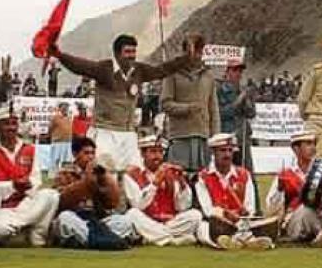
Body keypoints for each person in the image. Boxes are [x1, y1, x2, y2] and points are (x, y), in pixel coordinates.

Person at [50, 34, 197, 172]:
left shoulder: (139, 70)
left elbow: (161, 70)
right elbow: (80, 66)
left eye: (134, 52)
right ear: (117, 53)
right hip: (104, 132)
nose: (131, 56)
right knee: (102, 173)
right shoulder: (104, 69)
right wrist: (60, 55)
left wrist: (186, 58)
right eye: (127, 52)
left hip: (128, 133)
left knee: (135, 173)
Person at [0, 106, 59, 247]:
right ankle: (25, 227)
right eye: (6, 124)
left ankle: (36, 234)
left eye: (14, 123)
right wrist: (12, 186)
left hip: (26, 202)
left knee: (51, 195)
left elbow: (36, 179)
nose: (11, 128)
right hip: (3, 207)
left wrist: (27, 185)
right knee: (1, 230)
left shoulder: (30, 149)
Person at [266, 131, 322, 247]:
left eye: (314, 144)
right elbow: (271, 206)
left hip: (321, 215)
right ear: (296, 149)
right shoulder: (285, 174)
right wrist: (279, 189)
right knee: (307, 209)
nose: (313, 148)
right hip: (297, 219)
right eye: (308, 144)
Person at [51, 136, 134, 250]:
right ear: (75, 154)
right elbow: (62, 201)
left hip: (97, 220)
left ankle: (90, 241)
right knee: (65, 219)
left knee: (124, 221)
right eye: (86, 153)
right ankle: (105, 240)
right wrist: (86, 183)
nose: (90, 157)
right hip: (77, 218)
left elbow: (112, 203)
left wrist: (105, 179)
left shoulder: (100, 174)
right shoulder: (64, 173)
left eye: (92, 153)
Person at [194, 133, 272, 251]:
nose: (227, 154)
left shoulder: (244, 175)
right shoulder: (203, 177)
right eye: (223, 151)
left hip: (240, 222)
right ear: (213, 153)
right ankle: (231, 242)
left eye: (230, 150)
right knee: (202, 228)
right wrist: (226, 214)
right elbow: (208, 210)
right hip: (217, 223)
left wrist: (245, 214)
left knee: (253, 224)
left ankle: (239, 241)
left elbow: (250, 207)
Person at [123, 135, 202, 247]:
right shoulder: (132, 174)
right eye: (153, 152)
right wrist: (155, 183)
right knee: (132, 214)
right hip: (147, 220)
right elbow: (138, 205)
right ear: (142, 154)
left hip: (170, 222)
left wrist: (182, 183)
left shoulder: (170, 173)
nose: (158, 156)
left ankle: (154, 237)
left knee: (195, 215)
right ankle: (172, 240)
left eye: (160, 152)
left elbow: (183, 206)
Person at [161, 33, 218, 176]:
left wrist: (216, 138)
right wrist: (187, 108)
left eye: (199, 51)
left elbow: (213, 109)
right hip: (180, 137)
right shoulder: (172, 73)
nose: (196, 55)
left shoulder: (208, 75)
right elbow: (165, 104)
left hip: (203, 138)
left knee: (203, 182)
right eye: (192, 51)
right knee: (178, 181)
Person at [48, 102, 72, 175]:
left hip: (67, 142)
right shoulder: (55, 117)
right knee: (55, 159)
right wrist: (53, 136)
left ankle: (63, 174)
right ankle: (53, 174)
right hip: (57, 141)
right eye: (64, 107)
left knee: (65, 159)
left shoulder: (68, 117)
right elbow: (50, 128)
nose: (65, 109)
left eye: (67, 107)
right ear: (60, 108)